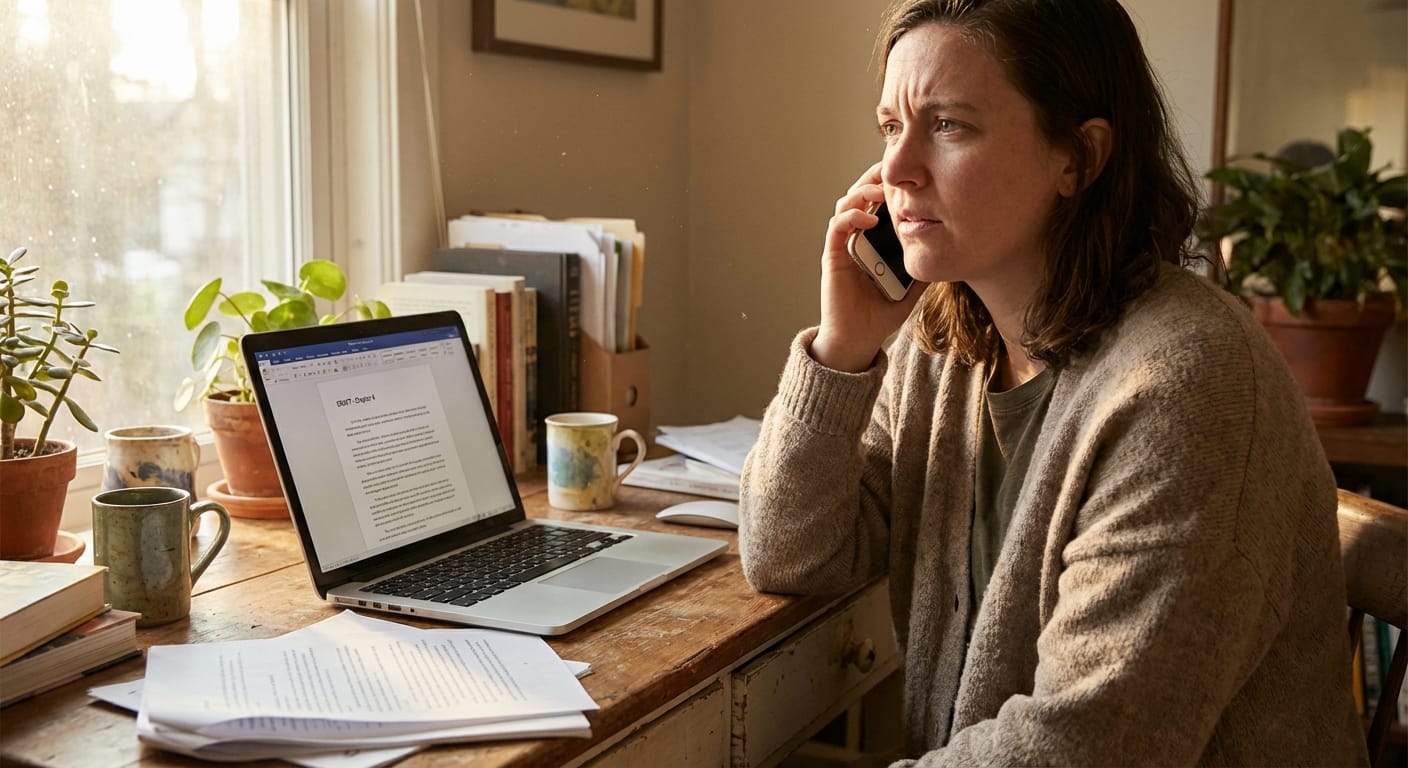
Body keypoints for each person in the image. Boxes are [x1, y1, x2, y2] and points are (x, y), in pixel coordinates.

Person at [737, 0, 1369, 765]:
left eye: (948, 126)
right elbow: (791, 554)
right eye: (890, 127)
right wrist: (842, 350)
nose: (897, 171)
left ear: (1079, 157)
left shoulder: (1190, 384)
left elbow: (1082, 747)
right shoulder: (942, 347)